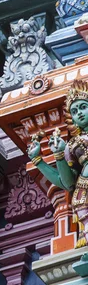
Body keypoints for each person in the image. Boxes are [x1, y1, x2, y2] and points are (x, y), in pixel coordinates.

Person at [28, 79, 88, 248]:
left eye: (84, 107)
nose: (80, 113)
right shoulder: (72, 145)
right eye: (75, 111)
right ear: (73, 120)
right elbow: (67, 183)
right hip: (84, 195)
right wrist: (41, 160)